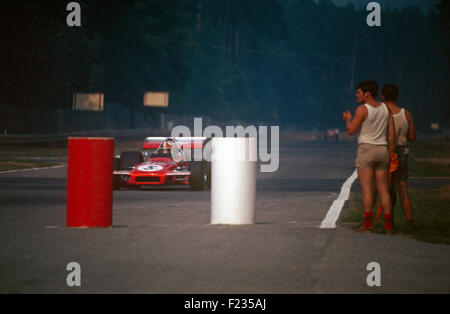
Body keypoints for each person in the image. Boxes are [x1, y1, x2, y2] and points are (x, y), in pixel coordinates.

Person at [343, 80, 396, 234]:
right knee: (383, 189)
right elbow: (391, 133)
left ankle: (368, 225)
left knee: (367, 190)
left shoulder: (362, 109)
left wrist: (347, 119)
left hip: (367, 149)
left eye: (358, 92)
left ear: (367, 94)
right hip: (383, 149)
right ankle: (388, 226)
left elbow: (351, 130)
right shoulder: (386, 108)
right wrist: (390, 152)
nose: (356, 95)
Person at [381, 84, 416, 227]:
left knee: (385, 188)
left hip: (384, 151)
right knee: (402, 187)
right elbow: (412, 137)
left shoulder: (380, 113)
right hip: (401, 152)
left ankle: (388, 221)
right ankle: (409, 220)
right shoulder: (406, 113)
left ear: (382, 97)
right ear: (397, 97)